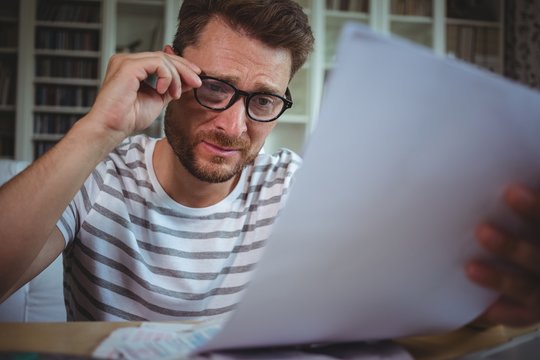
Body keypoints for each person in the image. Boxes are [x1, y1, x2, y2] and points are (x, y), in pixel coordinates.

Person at [0, 0, 539, 329]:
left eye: (262, 101)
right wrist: (99, 129)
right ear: (167, 70)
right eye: (214, 88)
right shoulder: (101, 176)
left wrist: (490, 295)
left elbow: (400, 297)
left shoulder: (290, 186)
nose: (233, 128)